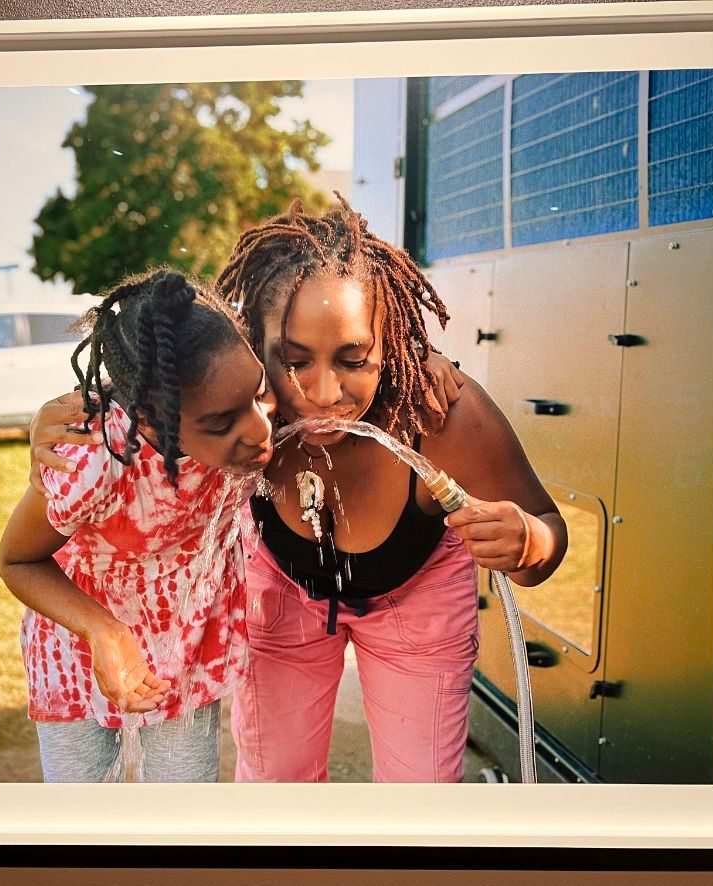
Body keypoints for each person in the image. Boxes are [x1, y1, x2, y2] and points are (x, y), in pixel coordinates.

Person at [30, 197, 568, 782]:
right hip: (280, 592)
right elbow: (155, 388)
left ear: (388, 344)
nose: (323, 392)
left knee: (423, 800)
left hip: (418, 604)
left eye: (354, 358)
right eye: (293, 361)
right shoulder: (243, 406)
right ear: (254, 348)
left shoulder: (438, 415)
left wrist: (530, 541)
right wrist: (51, 422)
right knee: (274, 789)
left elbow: (544, 538)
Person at [0, 268, 276, 782]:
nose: (260, 430)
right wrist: (104, 630)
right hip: (79, 655)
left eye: (259, 395)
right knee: (83, 825)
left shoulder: (235, 403)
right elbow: (16, 559)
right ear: (149, 419)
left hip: (181, 653)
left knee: (183, 822)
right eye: (222, 422)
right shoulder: (94, 458)